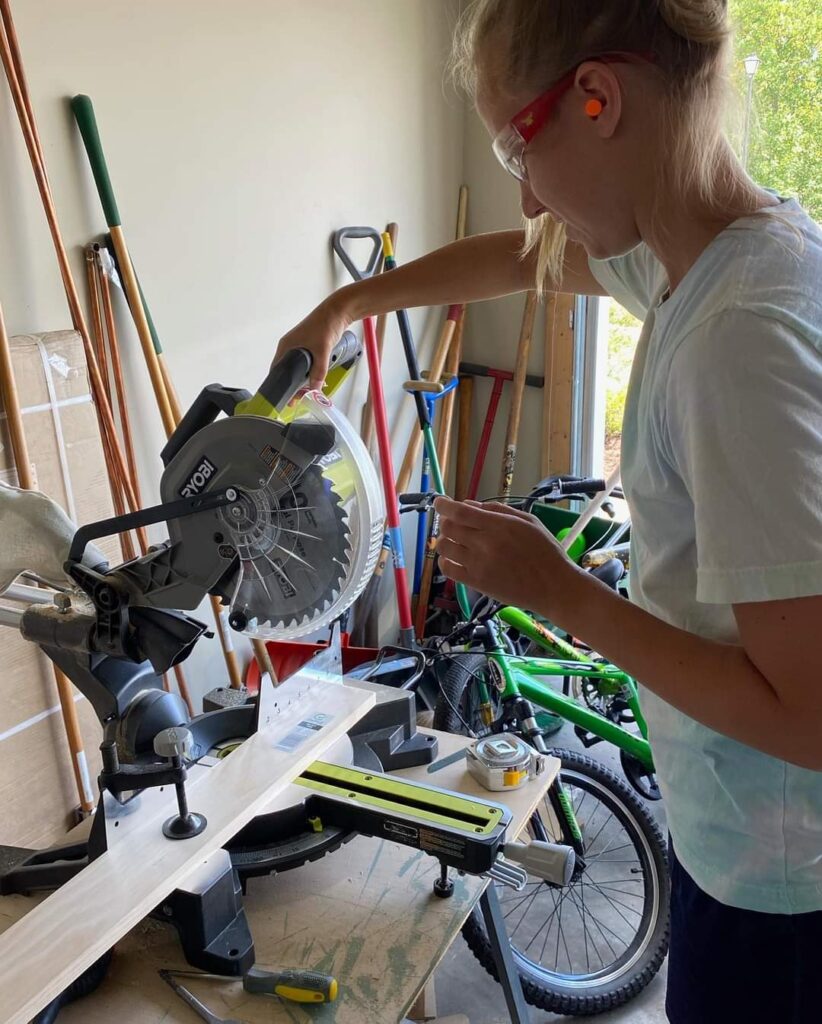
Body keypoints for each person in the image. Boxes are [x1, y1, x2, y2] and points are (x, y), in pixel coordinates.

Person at [276, 2, 822, 1020]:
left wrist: (560, 591)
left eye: (514, 145)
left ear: (597, 99)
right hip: (746, 851)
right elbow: (518, 257)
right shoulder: (704, 258)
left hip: (781, 897)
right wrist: (352, 304)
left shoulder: (739, 337)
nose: (523, 187)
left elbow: (812, 715)